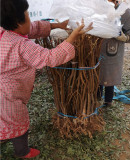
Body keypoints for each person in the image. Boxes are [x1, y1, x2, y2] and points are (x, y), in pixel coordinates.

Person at [0, 0, 93, 158]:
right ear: (17, 22)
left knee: (3, 118)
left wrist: (57, 26)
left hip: (5, 91)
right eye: (28, 16)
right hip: (9, 95)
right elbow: (49, 58)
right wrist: (73, 37)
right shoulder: (22, 45)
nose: (30, 20)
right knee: (18, 121)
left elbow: (33, 28)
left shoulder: (5, 31)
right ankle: (22, 151)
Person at [97, 0, 130, 106]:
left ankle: (108, 101)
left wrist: (126, 37)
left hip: (112, 49)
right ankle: (96, 98)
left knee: (109, 76)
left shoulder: (123, 12)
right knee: (96, 74)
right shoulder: (97, 9)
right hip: (96, 49)